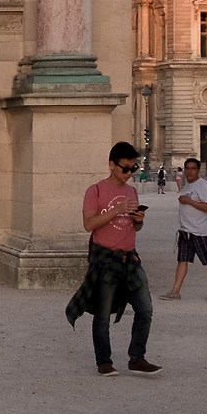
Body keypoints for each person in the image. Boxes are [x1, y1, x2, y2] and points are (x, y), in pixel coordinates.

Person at [64, 142, 160, 376]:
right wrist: (116, 210)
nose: (129, 174)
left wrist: (138, 219)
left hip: (130, 259)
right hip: (106, 260)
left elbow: (135, 227)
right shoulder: (95, 191)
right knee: (103, 314)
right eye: (125, 168)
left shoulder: (132, 191)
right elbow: (89, 224)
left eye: (132, 169)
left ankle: (137, 358)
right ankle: (104, 361)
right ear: (111, 165)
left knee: (145, 309)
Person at [162, 157, 207, 301]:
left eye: (193, 169)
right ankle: (175, 291)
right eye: (187, 168)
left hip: (200, 231)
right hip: (185, 230)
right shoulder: (187, 185)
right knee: (182, 260)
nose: (190, 171)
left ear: (198, 170)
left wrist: (189, 201)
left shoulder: (203, 186)